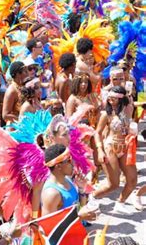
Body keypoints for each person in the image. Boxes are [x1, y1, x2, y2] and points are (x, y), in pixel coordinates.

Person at [93, 86, 137, 215]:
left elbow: (130, 98)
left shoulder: (128, 110)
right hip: (110, 148)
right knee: (113, 184)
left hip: (124, 148)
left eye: (115, 97)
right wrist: (100, 150)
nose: (111, 99)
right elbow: (98, 133)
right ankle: (91, 197)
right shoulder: (105, 114)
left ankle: (120, 203)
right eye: (110, 97)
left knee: (132, 180)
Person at [41, 144, 96, 221]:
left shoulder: (67, 180)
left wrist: (81, 189)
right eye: (68, 160)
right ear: (58, 166)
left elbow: (79, 208)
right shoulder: (52, 194)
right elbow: (49, 226)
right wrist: (79, 217)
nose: (73, 163)